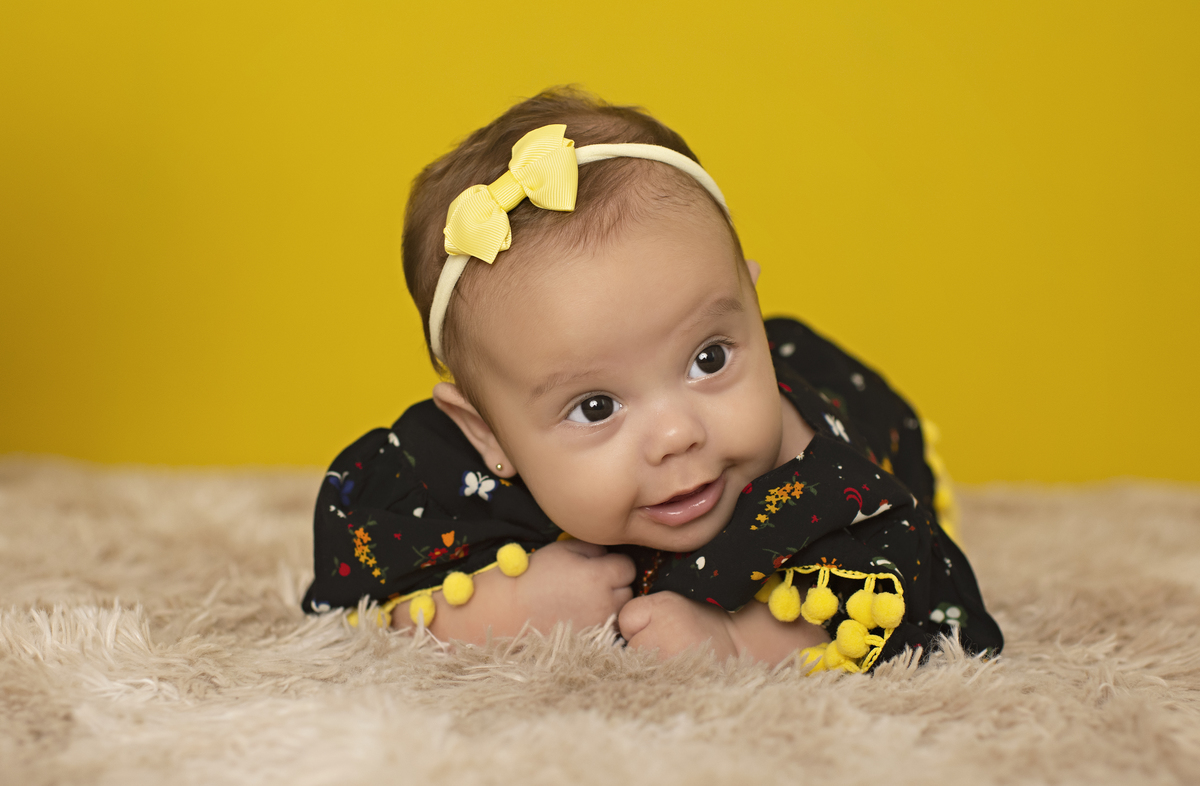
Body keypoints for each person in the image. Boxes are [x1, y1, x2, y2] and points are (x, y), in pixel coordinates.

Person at [302, 87, 1002, 672]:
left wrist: (742, 640)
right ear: (488, 434)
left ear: (752, 313)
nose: (676, 434)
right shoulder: (447, 479)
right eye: (596, 405)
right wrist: (493, 608)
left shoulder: (822, 483)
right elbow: (356, 600)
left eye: (710, 359)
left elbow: (915, 607)